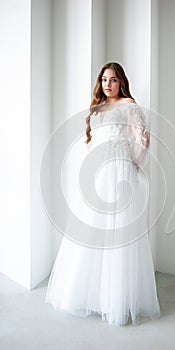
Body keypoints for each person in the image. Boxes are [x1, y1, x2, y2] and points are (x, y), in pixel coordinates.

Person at [45, 62, 161, 326]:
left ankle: (116, 299)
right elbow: (93, 141)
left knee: (117, 232)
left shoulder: (129, 104)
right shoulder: (97, 107)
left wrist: (133, 163)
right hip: (97, 173)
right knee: (91, 230)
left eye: (114, 80)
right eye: (104, 79)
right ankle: (92, 294)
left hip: (118, 171)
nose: (108, 84)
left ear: (122, 82)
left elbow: (143, 138)